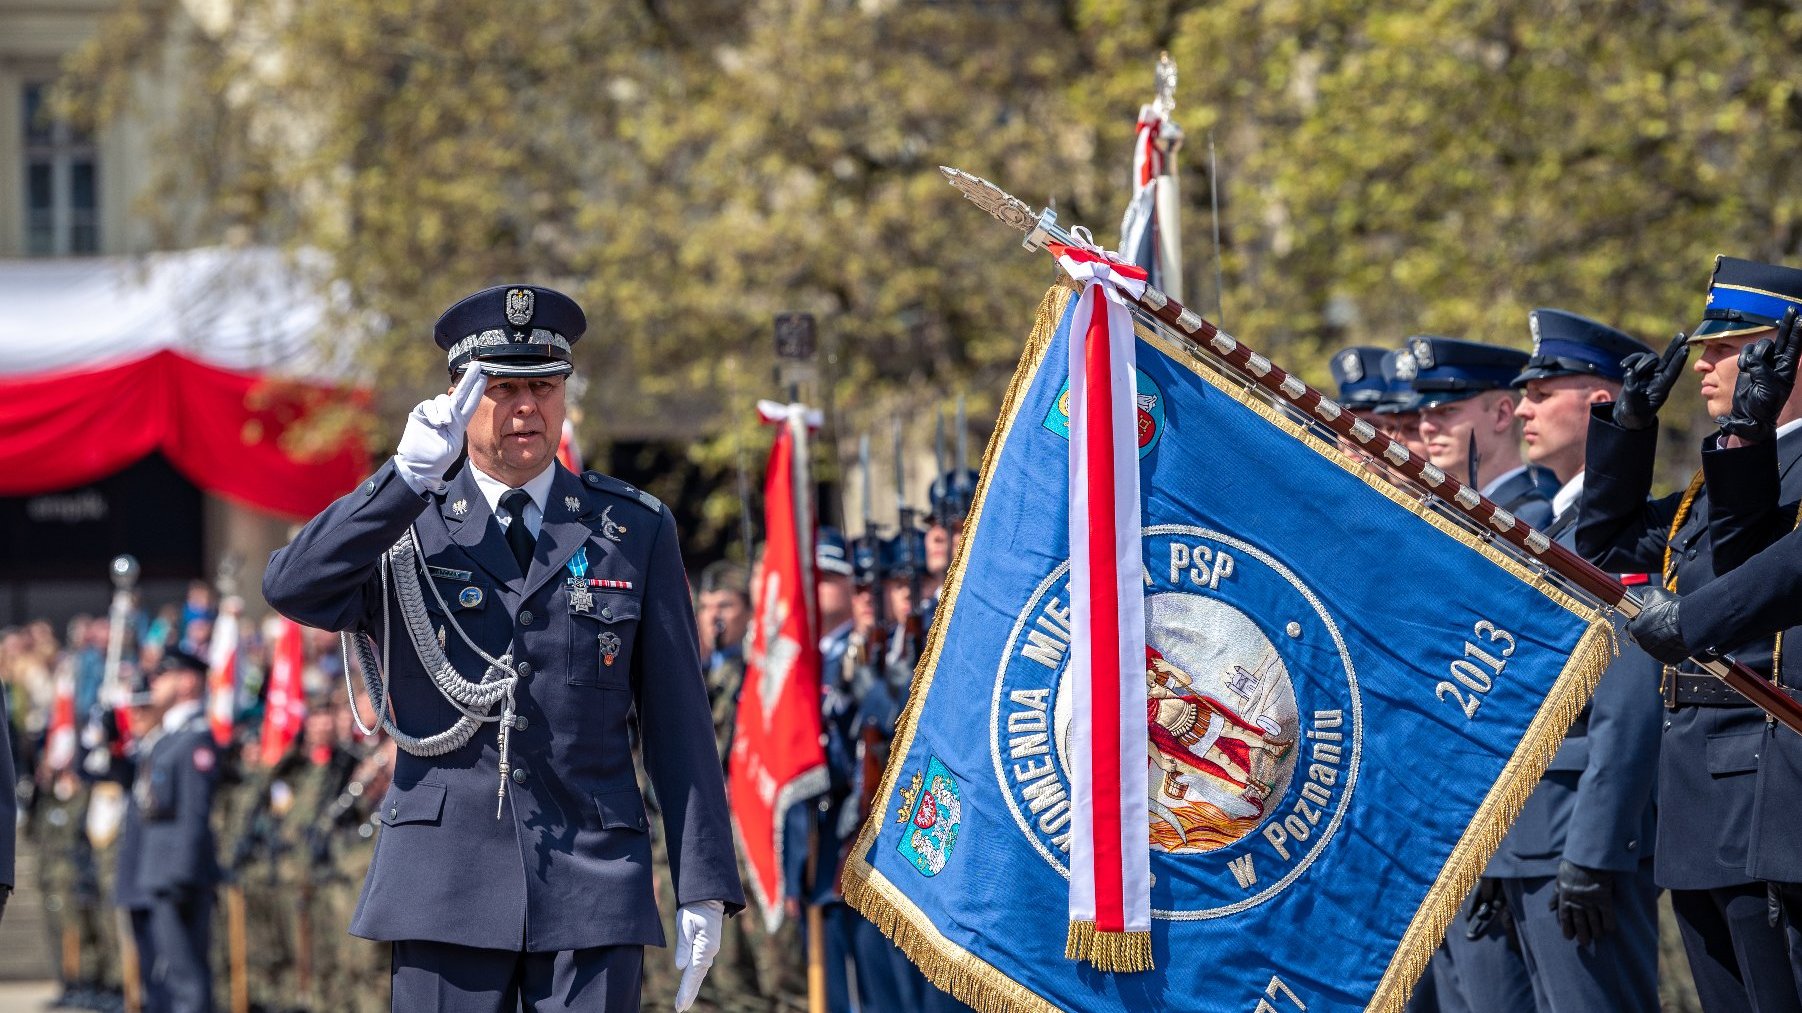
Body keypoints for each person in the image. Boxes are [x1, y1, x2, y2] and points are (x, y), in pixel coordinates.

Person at [262, 284, 743, 1013]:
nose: (528, 406)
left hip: (591, 879)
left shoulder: (631, 528)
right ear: (458, 397)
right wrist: (404, 480)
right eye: (503, 387)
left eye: (544, 386)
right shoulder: (406, 522)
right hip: (443, 883)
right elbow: (293, 586)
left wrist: (703, 880)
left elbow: (678, 722)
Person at [1578, 256, 1802, 1012]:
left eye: (1728, 345)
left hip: (1768, 784)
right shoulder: (1718, 475)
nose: (1704, 363)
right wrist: (1626, 433)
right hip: (1700, 794)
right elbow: (1602, 549)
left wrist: (1747, 439)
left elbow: (1755, 569)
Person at [1486, 309, 1662, 1012]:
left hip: (1578, 840)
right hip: (1532, 839)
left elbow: (1627, 706)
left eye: (1542, 391)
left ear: (1599, 401)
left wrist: (1595, 849)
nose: (1523, 408)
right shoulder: (1555, 527)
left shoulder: (1619, 534)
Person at [123, 648, 221, 1013]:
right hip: (160, 873)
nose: (155, 684)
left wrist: (181, 873)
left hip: (176, 876)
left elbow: (194, 813)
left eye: (164, 675)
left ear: (187, 681)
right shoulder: (166, 737)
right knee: (171, 976)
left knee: (186, 979)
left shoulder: (194, 739)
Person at [1402, 335, 1559, 525]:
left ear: (1502, 414)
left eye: (1447, 411)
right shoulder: (1438, 511)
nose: (1426, 427)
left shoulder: (1531, 521)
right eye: (1423, 414)